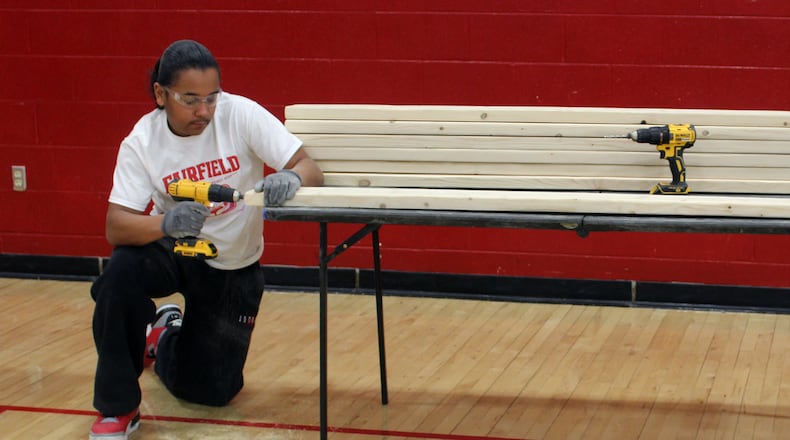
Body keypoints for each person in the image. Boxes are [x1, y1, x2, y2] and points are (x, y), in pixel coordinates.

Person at [88, 40, 323, 440]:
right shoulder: (141, 142)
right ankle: (118, 406)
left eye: (211, 98)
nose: (204, 112)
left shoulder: (241, 114)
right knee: (119, 277)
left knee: (213, 391)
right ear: (161, 94)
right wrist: (165, 222)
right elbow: (116, 226)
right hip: (174, 248)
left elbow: (309, 166)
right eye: (190, 100)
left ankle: (164, 340)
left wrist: (293, 177)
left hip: (231, 263)